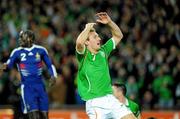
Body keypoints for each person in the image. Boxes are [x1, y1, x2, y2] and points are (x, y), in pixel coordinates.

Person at [75, 12, 136, 119]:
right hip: (95, 102)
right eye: (95, 37)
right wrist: (87, 29)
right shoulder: (83, 55)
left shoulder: (104, 51)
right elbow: (79, 43)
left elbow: (118, 36)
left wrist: (110, 23)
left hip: (111, 99)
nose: (99, 39)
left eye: (98, 36)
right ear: (87, 42)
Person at [0, 30, 57, 119]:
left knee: (45, 116)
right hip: (27, 88)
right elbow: (8, 66)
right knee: (34, 116)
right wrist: (2, 66)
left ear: (30, 38)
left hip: (41, 87)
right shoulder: (17, 52)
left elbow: (50, 65)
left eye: (22, 37)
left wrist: (53, 76)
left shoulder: (41, 50)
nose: (20, 39)